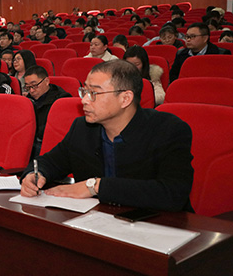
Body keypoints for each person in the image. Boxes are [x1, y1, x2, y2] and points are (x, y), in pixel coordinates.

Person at [20, 60, 193, 212]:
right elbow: (50, 162)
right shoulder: (82, 128)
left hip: (156, 226)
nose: (84, 100)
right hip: (96, 222)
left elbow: (173, 193)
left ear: (125, 98)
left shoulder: (168, 129)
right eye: (84, 91)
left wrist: (96, 186)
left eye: (94, 93)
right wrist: (35, 175)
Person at [23, 65, 71, 158]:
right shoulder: (28, 100)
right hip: (31, 140)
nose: (31, 91)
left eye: (35, 85)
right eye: (28, 87)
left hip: (49, 144)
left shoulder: (61, 100)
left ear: (46, 81)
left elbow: (55, 131)